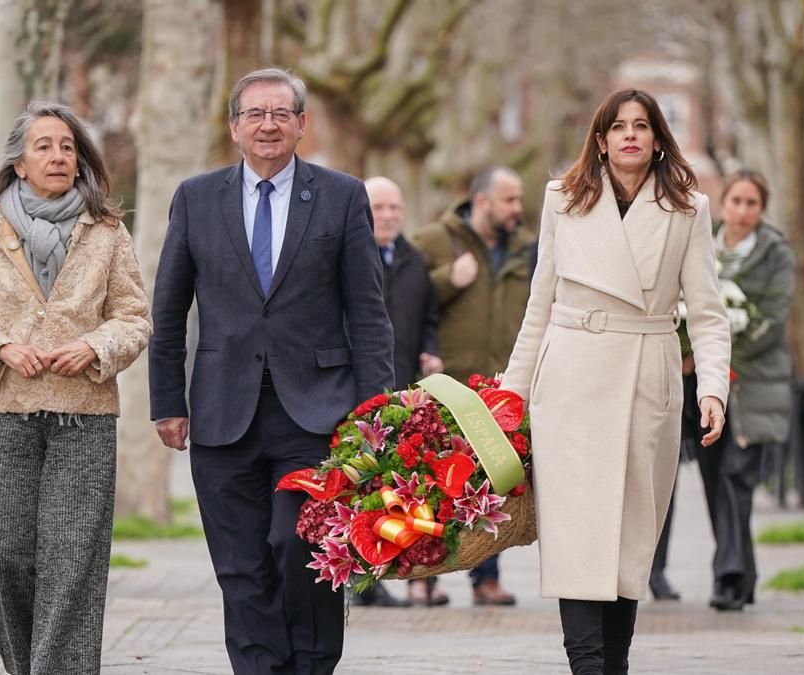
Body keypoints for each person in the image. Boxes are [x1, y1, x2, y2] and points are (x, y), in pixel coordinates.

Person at [148, 68, 394, 674]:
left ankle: (311, 664)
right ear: (234, 127)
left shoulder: (341, 196)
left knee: (301, 544)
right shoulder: (195, 198)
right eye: (255, 114)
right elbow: (168, 307)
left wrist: (377, 412)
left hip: (316, 412)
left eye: (281, 114)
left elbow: (368, 313)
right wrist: (166, 400)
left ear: (301, 125)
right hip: (221, 410)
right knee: (240, 566)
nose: (268, 125)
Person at [500, 89, 731, 674]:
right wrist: (513, 397)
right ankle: (587, 666)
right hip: (571, 379)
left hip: (646, 378)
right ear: (600, 140)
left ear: (657, 140)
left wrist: (712, 390)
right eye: (618, 127)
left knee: (629, 540)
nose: (630, 135)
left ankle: (615, 666)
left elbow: (706, 312)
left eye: (643, 126)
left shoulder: (689, 210)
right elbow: (540, 300)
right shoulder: (562, 199)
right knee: (577, 536)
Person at [0, 101, 152, 673]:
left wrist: (96, 347)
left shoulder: (107, 231)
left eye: (67, 146)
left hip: (86, 415)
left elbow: (134, 318)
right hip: (7, 410)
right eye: (44, 146)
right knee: (6, 552)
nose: (58, 156)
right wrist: (1, 348)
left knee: (73, 560)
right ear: (18, 163)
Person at [410, 165, 535, 607]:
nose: (517, 209)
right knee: (436, 481)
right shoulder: (431, 242)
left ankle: (487, 578)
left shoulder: (527, 249)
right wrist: (447, 280)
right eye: (509, 200)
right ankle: (422, 576)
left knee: (497, 482)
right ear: (482, 201)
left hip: (504, 385)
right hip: (449, 387)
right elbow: (403, 300)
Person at [699, 169, 795, 611]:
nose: (741, 211)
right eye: (735, 201)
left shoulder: (775, 251)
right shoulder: (702, 243)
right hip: (703, 388)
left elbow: (775, 318)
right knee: (715, 479)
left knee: (738, 477)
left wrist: (727, 352)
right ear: (722, 204)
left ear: (761, 208)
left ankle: (728, 577)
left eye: (751, 203)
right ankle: (742, 574)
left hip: (755, 385)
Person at [352, 176, 444, 608]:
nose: (387, 216)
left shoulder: (415, 260)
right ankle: (361, 578)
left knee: (402, 487)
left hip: (403, 392)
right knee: (360, 485)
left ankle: (408, 575)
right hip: (356, 390)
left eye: (394, 208)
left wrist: (431, 352)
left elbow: (428, 317)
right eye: (378, 208)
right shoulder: (349, 256)